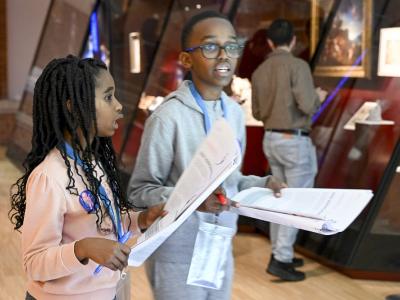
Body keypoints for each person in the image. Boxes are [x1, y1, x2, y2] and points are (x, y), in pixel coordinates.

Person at [128, 11, 285, 300]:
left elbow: (232, 180)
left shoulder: (234, 113)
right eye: (211, 47)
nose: (224, 55)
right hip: (178, 252)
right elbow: (140, 192)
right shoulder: (168, 117)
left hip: (220, 245)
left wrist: (262, 184)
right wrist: (194, 200)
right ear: (186, 59)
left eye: (232, 46)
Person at [9, 55, 166, 300]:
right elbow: (34, 262)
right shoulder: (49, 177)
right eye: (107, 96)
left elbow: (104, 225)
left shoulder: (94, 164)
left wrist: (141, 219)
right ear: (74, 106)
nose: (118, 106)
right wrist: (83, 248)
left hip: (106, 293)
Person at [251, 19, 326, 282]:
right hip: (294, 140)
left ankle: (282, 251)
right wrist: (318, 96)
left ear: (270, 42)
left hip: (270, 139)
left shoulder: (259, 71)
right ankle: (281, 258)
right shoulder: (298, 66)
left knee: (280, 198)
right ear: (293, 41)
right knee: (297, 200)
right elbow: (308, 105)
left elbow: (257, 112)